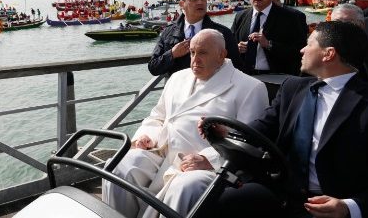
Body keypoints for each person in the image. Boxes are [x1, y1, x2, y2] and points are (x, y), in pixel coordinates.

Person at [204, 21, 368, 218]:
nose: (302, 50)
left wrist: (350, 207)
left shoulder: (365, 102)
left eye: (309, 44)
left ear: (329, 54)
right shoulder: (293, 88)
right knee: (216, 202)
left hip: (333, 203)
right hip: (282, 192)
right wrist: (226, 132)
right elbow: (260, 130)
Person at [103, 29, 269, 218]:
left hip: (207, 166)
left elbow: (248, 141)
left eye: (203, 53)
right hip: (163, 152)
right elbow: (158, 116)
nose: (195, 60)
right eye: (192, 52)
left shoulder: (249, 88)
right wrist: (146, 136)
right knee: (121, 166)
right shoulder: (177, 78)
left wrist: (209, 160)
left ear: (222, 55)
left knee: (185, 187)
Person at [148, 0, 241, 76]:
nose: (200, 2)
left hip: (211, 89)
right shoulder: (168, 32)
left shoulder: (223, 33)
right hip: (178, 89)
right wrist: (172, 54)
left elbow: (236, 68)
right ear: (182, 4)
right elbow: (153, 67)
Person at [232, 0, 307, 76]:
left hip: (278, 77)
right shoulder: (240, 17)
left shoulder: (293, 17)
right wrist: (236, 48)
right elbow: (230, 45)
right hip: (245, 76)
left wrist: (269, 44)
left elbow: (300, 51)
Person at [330, 3, 368, 81]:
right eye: (336, 22)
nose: (341, 26)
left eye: (347, 22)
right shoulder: (322, 50)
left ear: (361, 25)